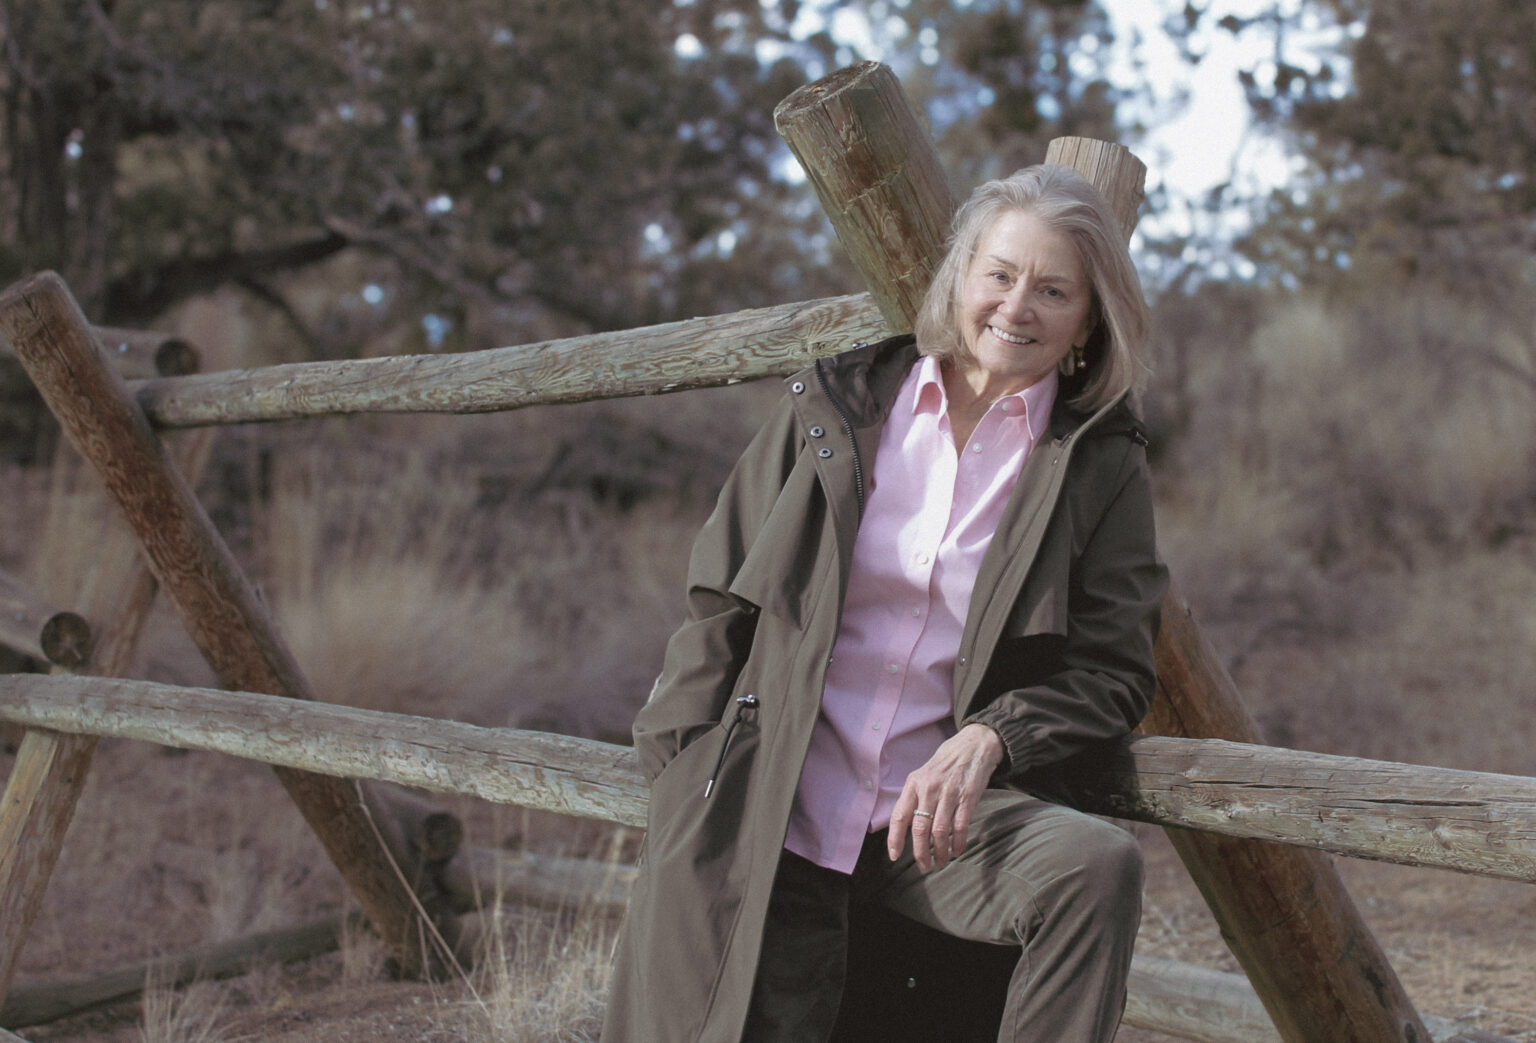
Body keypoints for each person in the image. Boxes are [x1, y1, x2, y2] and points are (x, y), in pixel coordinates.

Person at [602, 164, 1168, 1043]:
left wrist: (996, 734)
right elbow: (718, 598)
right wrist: (682, 772)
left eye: (1054, 290)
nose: (1017, 307)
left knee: (1093, 867)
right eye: (1001, 274)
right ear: (961, 276)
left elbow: (1115, 669)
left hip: (934, 827)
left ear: (1089, 317)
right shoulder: (840, 406)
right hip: (779, 799)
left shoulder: (1098, 462)